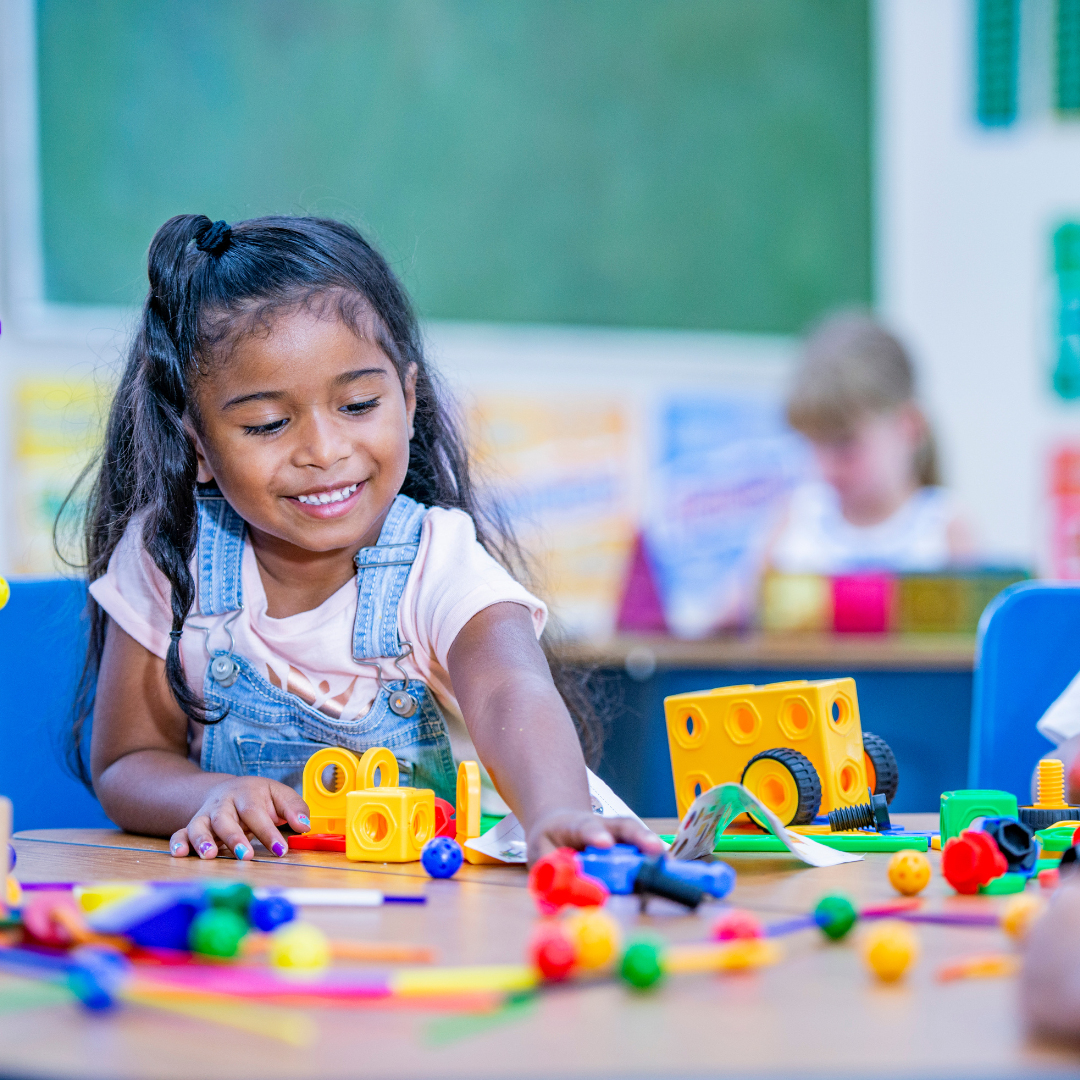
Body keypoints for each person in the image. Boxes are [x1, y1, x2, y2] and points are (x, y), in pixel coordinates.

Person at [75, 214, 661, 866]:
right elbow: (128, 760)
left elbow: (509, 690)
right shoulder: (170, 557)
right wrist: (207, 794)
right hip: (277, 924)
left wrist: (557, 813)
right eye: (268, 424)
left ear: (408, 402)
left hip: (450, 909)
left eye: (358, 406)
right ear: (199, 446)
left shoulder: (439, 561)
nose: (324, 451)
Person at [769, 312, 974, 574]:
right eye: (815, 444)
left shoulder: (944, 529)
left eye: (845, 445)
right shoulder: (794, 521)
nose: (827, 467)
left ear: (909, 425)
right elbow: (732, 609)